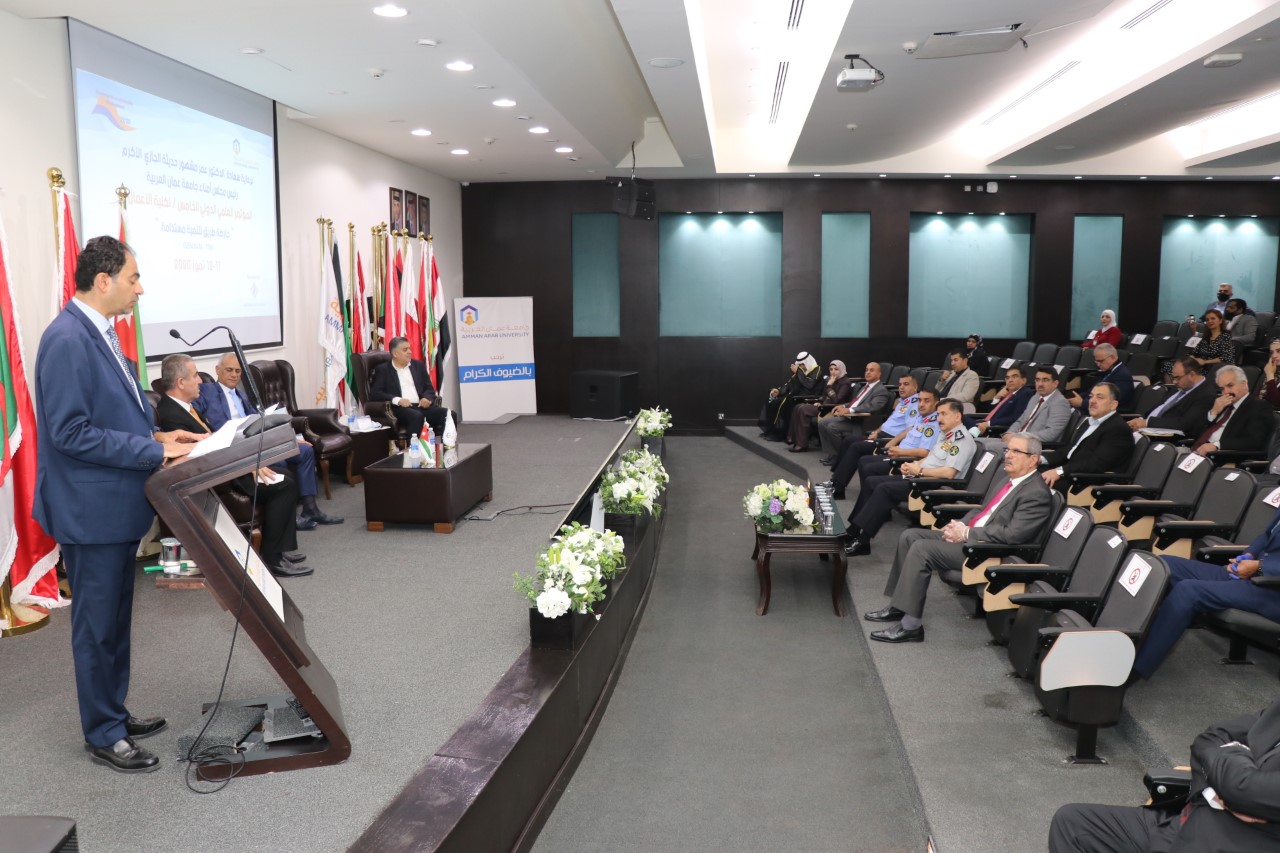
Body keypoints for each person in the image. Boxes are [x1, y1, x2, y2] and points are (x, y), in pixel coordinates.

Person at [33, 235, 201, 774]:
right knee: (96, 627)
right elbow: (70, 433)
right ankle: (103, 733)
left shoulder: (101, 333)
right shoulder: (67, 338)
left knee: (115, 622)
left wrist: (161, 438)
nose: (140, 289)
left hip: (115, 508)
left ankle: (114, 712)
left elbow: (114, 416)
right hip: (91, 512)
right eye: (133, 278)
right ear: (102, 280)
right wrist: (152, 450)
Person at [862, 432, 1053, 642]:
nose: (1008, 455)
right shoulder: (1008, 480)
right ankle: (899, 606)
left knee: (922, 549)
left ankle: (911, 626)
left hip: (989, 551)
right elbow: (982, 510)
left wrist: (967, 533)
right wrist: (960, 525)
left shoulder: (1036, 493)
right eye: (1008, 450)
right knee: (910, 536)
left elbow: (1013, 535)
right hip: (973, 538)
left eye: (1016, 451)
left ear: (1033, 459)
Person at [1048, 697, 1280, 851]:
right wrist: (1219, 788)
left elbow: (1243, 789)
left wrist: (1231, 756)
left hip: (1230, 841)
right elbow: (1209, 738)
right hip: (1181, 822)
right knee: (1073, 824)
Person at [156, 355, 311, 579]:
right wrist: (246, 466)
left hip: (225, 467)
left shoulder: (185, 408)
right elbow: (198, 458)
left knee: (285, 475)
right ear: (181, 382)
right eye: (195, 375)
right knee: (284, 485)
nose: (200, 380)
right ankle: (273, 558)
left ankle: (280, 550)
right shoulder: (171, 414)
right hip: (218, 478)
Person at [1130, 503, 1280, 682]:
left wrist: (1259, 567)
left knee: (1188, 591)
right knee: (1161, 565)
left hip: (1271, 591)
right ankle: (1122, 639)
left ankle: (1134, 670)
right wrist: (1249, 555)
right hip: (1252, 575)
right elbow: (1267, 535)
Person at [195, 352, 343, 529]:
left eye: (238, 371)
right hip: (234, 449)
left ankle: (310, 508)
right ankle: (289, 516)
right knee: (278, 458)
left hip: (257, 442)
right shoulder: (206, 391)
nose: (234, 375)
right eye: (229, 370)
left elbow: (261, 422)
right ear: (217, 370)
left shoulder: (243, 395)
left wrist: (290, 439)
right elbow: (195, 418)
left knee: (304, 450)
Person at [842, 398, 974, 557]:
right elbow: (931, 458)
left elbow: (949, 473)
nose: (939, 418)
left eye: (944, 414)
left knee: (884, 489)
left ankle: (863, 541)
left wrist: (919, 471)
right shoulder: (946, 434)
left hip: (936, 485)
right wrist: (913, 465)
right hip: (922, 477)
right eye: (938, 414)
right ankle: (853, 530)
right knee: (871, 482)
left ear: (957, 417)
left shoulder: (961, 439)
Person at [823, 386, 939, 500]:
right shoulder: (910, 409)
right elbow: (903, 427)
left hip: (898, 449)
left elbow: (923, 449)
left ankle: (841, 487)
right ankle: (837, 480)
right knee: (852, 444)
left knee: (857, 449)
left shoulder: (926, 418)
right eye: (920, 400)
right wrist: (878, 433)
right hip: (890, 442)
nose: (921, 404)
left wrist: (897, 446)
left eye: (926, 401)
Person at [1041, 383, 1136, 491]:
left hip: (1086, 483)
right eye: (1091, 396)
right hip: (1070, 471)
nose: (1092, 401)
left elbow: (1095, 464)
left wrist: (1059, 471)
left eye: (1099, 397)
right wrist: (1041, 459)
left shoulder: (1118, 429)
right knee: (1029, 469)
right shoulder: (1089, 421)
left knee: (1033, 481)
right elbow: (1070, 449)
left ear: (1113, 405)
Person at [370, 335, 452, 439]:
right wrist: (398, 400)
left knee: (449, 414)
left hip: (420, 406)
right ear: (395, 353)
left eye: (409, 349)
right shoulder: (383, 369)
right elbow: (376, 393)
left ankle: (447, 446)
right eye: (405, 350)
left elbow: (429, 389)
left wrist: (427, 398)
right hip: (400, 409)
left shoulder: (418, 365)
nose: (410, 352)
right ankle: (413, 448)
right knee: (416, 416)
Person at [978, 365, 1072, 454]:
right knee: (978, 442)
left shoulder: (1060, 403)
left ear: (1055, 383)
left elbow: (1051, 434)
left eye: (1045, 380)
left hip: (1032, 446)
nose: (1040, 384)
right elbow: (1020, 420)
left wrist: (1017, 437)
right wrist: (1009, 433)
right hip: (1017, 440)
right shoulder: (1036, 397)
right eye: (1037, 380)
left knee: (989, 447)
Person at [1191, 364, 1275, 457]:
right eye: (1222, 389)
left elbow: (1253, 441)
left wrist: (1217, 445)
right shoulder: (1220, 403)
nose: (1226, 392)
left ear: (1243, 384)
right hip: (1196, 451)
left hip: (1221, 456)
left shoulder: (1259, 406)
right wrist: (1213, 413)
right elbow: (1194, 432)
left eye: (1230, 385)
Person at [816, 361, 891, 456]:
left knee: (832, 427)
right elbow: (855, 402)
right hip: (850, 418)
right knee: (822, 422)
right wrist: (844, 406)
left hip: (861, 422)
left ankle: (840, 456)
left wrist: (850, 410)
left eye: (871, 370)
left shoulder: (881, 390)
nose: (868, 372)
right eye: (866, 370)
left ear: (879, 374)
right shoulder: (865, 387)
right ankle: (831, 454)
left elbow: (871, 406)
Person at [1129, 357, 1215, 437]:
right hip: (1144, 428)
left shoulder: (1205, 394)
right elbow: (1160, 407)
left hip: (1166, 436)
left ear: (1192, 375)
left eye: (1177, 378)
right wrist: (1140, 420)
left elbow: (1184, 424)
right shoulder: (1180, 386)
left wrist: (1147, 423)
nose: (1174, 382)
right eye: (1173, 377)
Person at [786, 359, 854, 452]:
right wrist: (820, 401)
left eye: (836, 369)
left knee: (803, 409)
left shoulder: (845, 382)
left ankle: (801, 444)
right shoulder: (831, 379)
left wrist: (829, 386)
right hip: (824, 406)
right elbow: (824, 396)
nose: (833, 372)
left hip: (832, 409)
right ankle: (793, 438)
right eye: (831, 369)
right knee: (798, 406)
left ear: (841, 369)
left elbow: (837, 400)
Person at [757, 351, 822, 441]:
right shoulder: (801, 372)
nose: (801, 366)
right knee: (772, 399)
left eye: (802, 364)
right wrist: (779, 391)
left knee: (784, 403)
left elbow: (809, 385)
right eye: (799, 365)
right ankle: (773, 431)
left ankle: (783, 434)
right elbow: (789, 384)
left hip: (805, 399)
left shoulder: (817, 370)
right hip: (794, 397)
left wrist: (798, 372)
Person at [1165, 309, 1235, 379]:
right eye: (1207, 320)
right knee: (1168, 365)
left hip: (1212, 368)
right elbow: (1195, 352)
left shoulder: (1225, 337)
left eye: (1213, 318)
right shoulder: (1205, 337)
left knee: (1184, 371)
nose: (1210, 321)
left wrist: (1205, 361)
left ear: (1220, 321)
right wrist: (1192, 357)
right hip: (1199, 365)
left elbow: (1226, 358)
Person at [1066, 343, 1135, 412]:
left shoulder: (1123, 376)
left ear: (1112, 357)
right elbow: (1091, 391)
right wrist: (1076, 398)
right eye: (1096, 361)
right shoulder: (1108, 371)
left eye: (1101, 361)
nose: (1098, 365)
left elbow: (1109, 403)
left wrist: (1082, 403)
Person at [975, 365, 1033, 435]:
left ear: (1023, 380)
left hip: (994, 430)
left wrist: (989, 423)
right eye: (1007, 378)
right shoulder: (1008, 394)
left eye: (1014, 377)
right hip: (985, 424)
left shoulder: (1025, 393)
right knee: (964, 419)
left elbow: (1017, 418)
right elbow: (989, 412)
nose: (1010, 380)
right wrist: (997, 397)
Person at [1259, 339, 1280, 408]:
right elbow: (1258, 398)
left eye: (1279, 351)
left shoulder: (1270, 373)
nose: (1274, 356)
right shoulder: (1274, 371)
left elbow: (1275, 403)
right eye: (1272, 352)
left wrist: (1270, 375)